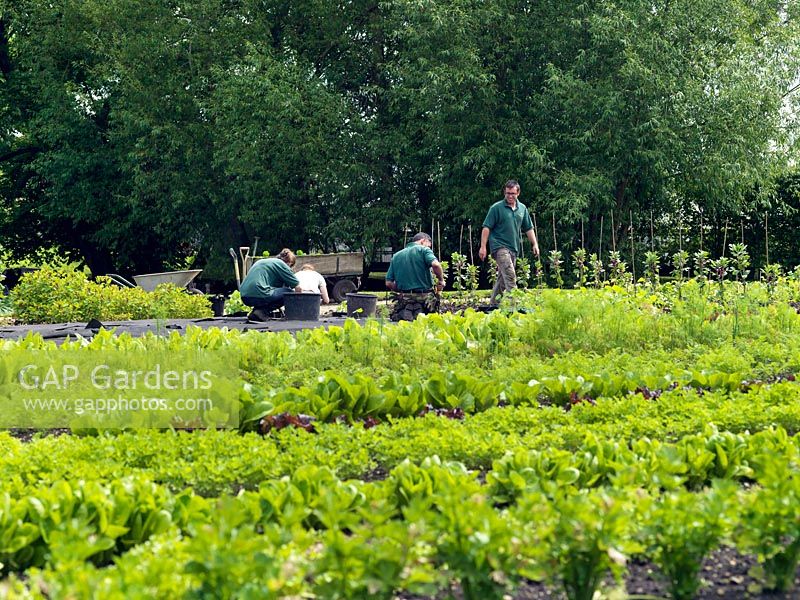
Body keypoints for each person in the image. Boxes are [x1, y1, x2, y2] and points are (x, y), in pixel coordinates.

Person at [478, 179, 539, 304]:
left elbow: (528, 228)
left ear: (518, 193)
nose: (510, 196)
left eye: (512, 193)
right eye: (507, 193)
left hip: (513, 247)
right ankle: (514, 304)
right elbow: (486, 227)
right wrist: (483, 247)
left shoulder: (522, 208)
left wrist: (535, 244)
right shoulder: (496, 208)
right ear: (504, 193)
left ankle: (493, 306)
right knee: (510, 274)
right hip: (499, 247)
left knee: (502, 278)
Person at [239, 248, 301, 321]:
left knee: (267, 293)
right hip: (260, 293)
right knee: (289, 293)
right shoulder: (282, 265)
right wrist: (300, 308)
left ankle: (256, 313)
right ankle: (262, 311)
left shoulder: (266, 262)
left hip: (245, 296)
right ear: (289, 263)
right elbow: (298, 288)